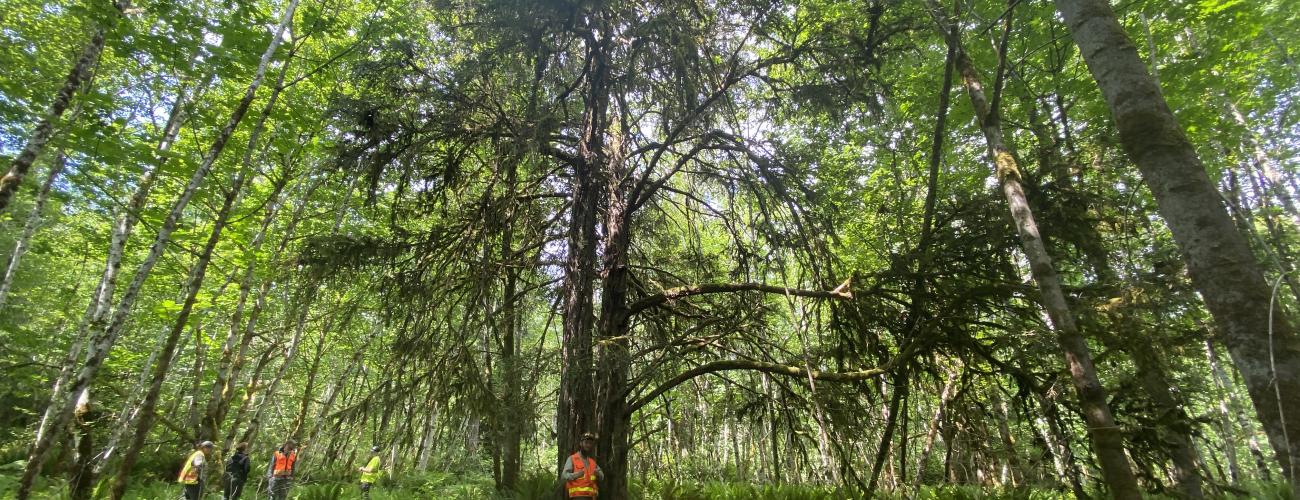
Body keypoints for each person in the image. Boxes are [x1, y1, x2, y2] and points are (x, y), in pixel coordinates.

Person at [562, 433, 603, 499]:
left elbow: (602, 476)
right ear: (581, 443)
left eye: (590, 443)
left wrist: (598, 474)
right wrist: (575, 475)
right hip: (577, 497)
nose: (588, 445)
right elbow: (564, 476)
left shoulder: (592, 462)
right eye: (586, 443)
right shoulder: (572, 459)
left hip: (591, 497)